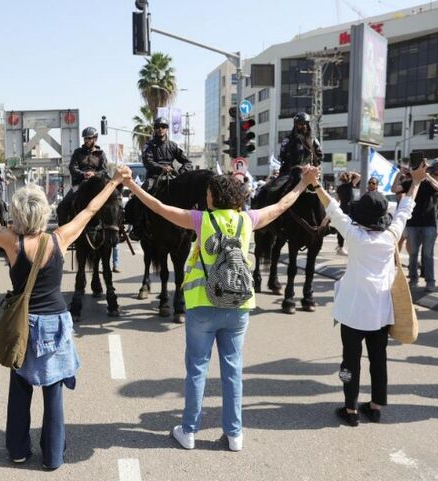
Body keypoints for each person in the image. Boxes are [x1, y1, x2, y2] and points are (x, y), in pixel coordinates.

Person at [0, 162, 129, 470]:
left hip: (24, 325)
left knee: (20, 387)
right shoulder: (59, 238)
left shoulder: (12, 243)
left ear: (18, 215)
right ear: (45, 213)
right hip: (57, 323)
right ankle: (52, 456)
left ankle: (18, 450)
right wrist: (114, 181)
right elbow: (90, 210)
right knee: (54, 392)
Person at [121, 165, 319, 452]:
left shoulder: (200, 220)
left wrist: (132, 185)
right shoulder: (248, 220)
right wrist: (303, 183)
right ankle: (235, 435)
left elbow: (158, 206)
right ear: (238, 199)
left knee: (197, 369)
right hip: (239, 305)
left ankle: (188, 431)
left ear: (212, 197)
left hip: (202, 304)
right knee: (233, 370)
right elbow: (281, 205)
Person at [308, 162, 428, 426]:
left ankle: (350, 409)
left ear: (360, 217)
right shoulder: (390, 237)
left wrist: (315, 184)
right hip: (380, 314)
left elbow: (333, 208)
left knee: (349, 362)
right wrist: (417, 181)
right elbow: (406, 209)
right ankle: (375, 406)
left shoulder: (354, 236)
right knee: (378, 360)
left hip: (353, 313)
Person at [128, 116, 192, 240]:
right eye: (157, 127)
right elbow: (148, 162)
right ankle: (138, 226)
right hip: (154, 176)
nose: (160, 129)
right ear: (155, 129)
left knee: (187, 193)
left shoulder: (173, 145)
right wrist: (161, 168)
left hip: (172, 175)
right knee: (142, 192)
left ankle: (191, 227)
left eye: (163, 126)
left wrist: (180, 172)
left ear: (166, 129)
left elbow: (187, 162)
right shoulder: (148, 145)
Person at [393, 157, 438, 292]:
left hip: (429, 224)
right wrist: (398, 174)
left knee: (427, 254)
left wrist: (426, 175)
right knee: (413, 254)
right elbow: (394, 189)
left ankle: (430, 282)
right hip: (412, 224)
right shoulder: (409, 183)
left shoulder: (429, 183)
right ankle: (413, 280)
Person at [56, 126, 108, 226]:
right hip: (79, 184)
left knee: (114, 200)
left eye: (89, 138)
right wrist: (83, 175)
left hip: (97, 183)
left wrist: (94, 174)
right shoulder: (77, 152)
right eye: (85, 138)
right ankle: (63, 236)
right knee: (63, 205)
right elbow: (72, 168)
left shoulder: (101, 154)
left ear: (95, 139)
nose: (87, 140)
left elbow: (104, 170)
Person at [278, 112, 323, 177]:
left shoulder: (312, 140)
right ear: (296, 125)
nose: (303, 126)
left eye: (305, 124)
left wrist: (312, 167)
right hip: (289, 173)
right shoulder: (288, 139)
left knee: (318, 187)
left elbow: (319, 156)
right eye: (300, 124)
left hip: (308, 174)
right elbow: (283, 155)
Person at [335, 171, 361, 255]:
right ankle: (342, 247)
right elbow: (359, 176)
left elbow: (337, 200)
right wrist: (352, 172)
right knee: (352, 228)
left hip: (342, 208)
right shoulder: (350, 185)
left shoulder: (339, 188)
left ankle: (340, 246)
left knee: (341, 228)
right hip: (350, 209)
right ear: (349, 178)